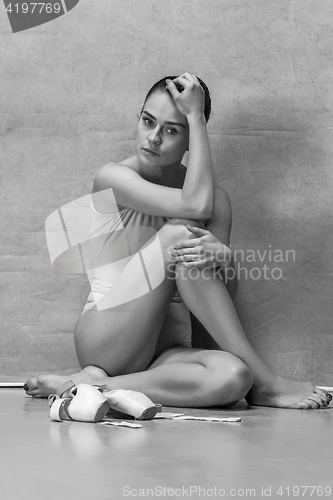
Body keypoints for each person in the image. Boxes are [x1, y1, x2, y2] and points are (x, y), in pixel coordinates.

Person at [24, 73, 331, 410]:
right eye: (147, 121)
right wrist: (194, 116)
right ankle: (267, 383)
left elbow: (214, 308)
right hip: (106, 339)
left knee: (232, 377)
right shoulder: (112, 178)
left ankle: (92, 385)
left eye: (172, 130)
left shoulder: (218, 202)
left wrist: (225, 262)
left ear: (191, 141)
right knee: (182, 233)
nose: (153, 138)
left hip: (165, 357)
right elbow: (194, 205)